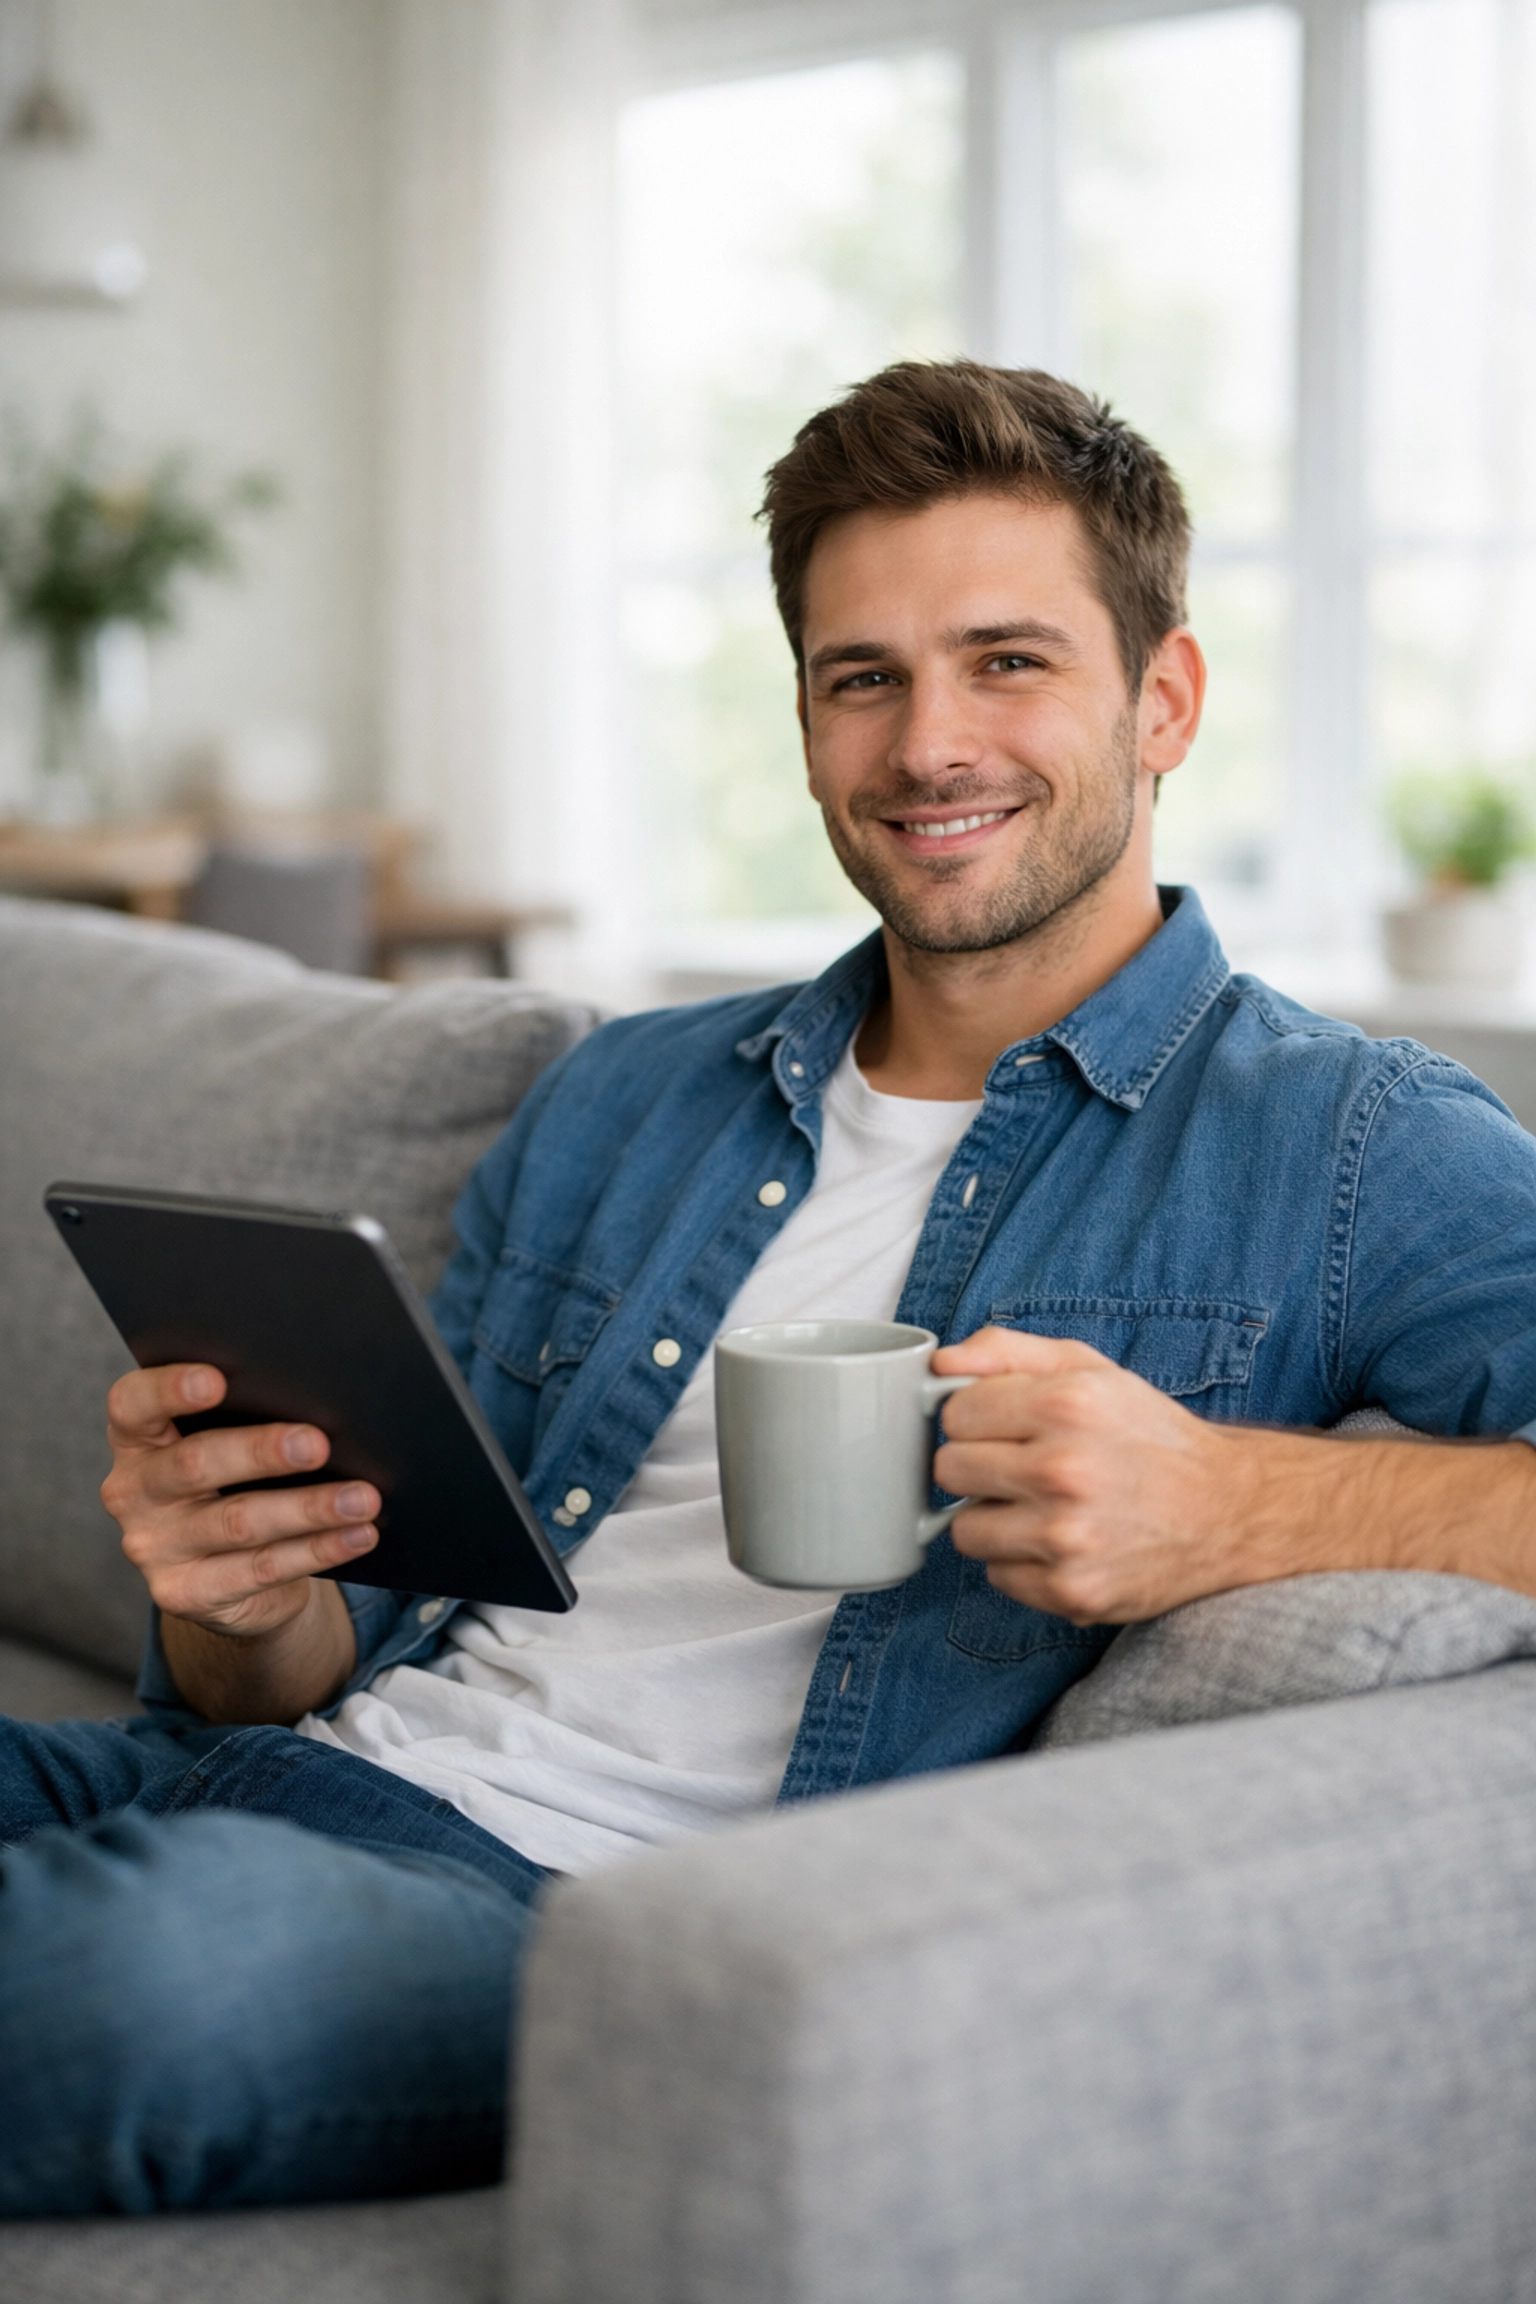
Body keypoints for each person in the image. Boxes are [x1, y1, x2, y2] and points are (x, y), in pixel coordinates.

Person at [6, 360, 1536, 2218]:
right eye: (861, 677)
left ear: (1167, 700)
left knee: (119, 1979)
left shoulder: (1347, 1144)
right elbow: (326, 1667)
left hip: (582, 1922)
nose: (928, 746)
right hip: (238, 1780)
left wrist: (1233, 1503)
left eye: (1009, 662)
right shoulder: (625, 1093)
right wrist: (244, 1597)